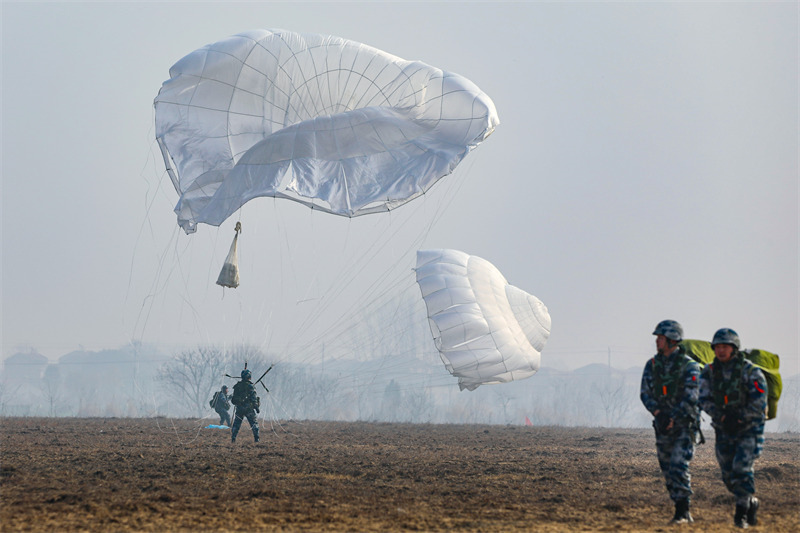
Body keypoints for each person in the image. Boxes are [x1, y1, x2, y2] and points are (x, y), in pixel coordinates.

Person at [699, 328, 767, 528]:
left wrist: (739, 418)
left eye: (725, 347)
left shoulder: (750, 371)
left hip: (748, 430)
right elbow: (702, 398)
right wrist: (720, 415)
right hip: (724, 430)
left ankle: (741, 514)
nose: (721, 350)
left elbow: (759, 402)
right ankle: (750, 502)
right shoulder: (709, 371)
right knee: (728, 475)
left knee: (741, 469)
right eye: (718, 347)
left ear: (734, 348)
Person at [640, 319, 701, 524]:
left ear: (672, 340)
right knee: (667, 468)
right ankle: (678, 506)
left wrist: (674, 417)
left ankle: (683, 511)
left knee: (678, 465)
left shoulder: (689, 366)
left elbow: (692, 396)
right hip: (662, 426)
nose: (657, 341)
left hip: (684, 426)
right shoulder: (652, 365)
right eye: (657, 337)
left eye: (661, 338)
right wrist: (658, 413)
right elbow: (645, 393)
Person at [230, 369, 260, 443]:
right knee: (254, 424)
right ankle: (257, 439)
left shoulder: (237, 386)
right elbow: (254, 398)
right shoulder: (250, 386)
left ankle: (233, 438)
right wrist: (256, 407)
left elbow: (234, 398)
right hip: (248, 408)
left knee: (236, 424)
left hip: (239, 408)